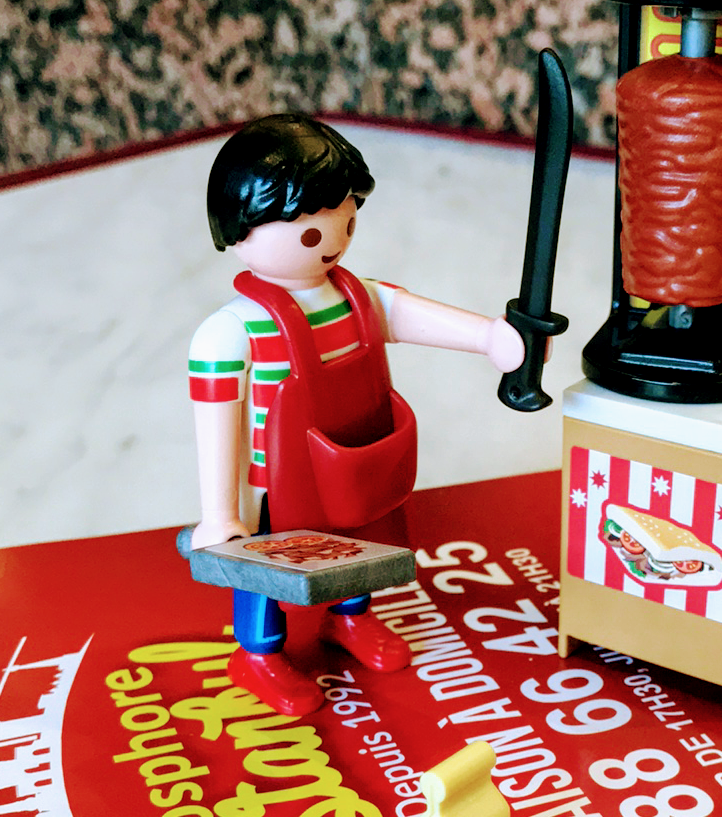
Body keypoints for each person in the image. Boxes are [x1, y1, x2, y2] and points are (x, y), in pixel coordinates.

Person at [188, 114, 526, 716]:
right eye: (310, 233)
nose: (334, 241)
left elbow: (412, 314)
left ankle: (349, 616)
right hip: (271, 489)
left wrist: (490, 338)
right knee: (262, 568)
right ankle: (258, 655)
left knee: (357, 545)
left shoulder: (357, 296)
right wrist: (219, 514)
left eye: (346, 222)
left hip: (355, 461)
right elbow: (215, 423)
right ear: (239, 228)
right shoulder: (231, 332)